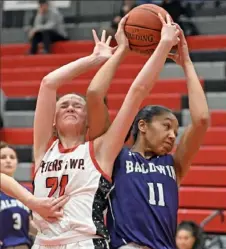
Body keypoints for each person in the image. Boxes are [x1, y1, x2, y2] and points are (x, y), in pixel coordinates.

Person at [31, 12, 179, 249]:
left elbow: (137, 91)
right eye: (63, 105)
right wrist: (94, 59)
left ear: (89, 121)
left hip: (83, 242)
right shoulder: (42, 150)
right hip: (42, 243)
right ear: (52, 121)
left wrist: (162, 45)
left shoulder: (100, 150)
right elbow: (49, 83)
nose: (70, 106)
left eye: (77, 105)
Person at [87, 14, 209, 249]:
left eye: (175, 130)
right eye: (166, 126)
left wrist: (187, 64)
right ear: (142, 126)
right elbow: (94, 95)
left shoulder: (173, 164)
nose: (173, 135)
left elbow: (201, 119)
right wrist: (122, 50)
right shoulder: (115, 157)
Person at [0, 142, 68, 249]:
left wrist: (50, 234)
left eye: (12, 157)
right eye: (3, 157)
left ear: (17, 162)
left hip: (23, 245)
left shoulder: (26, 192)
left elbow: (29, 225)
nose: (8, 160)